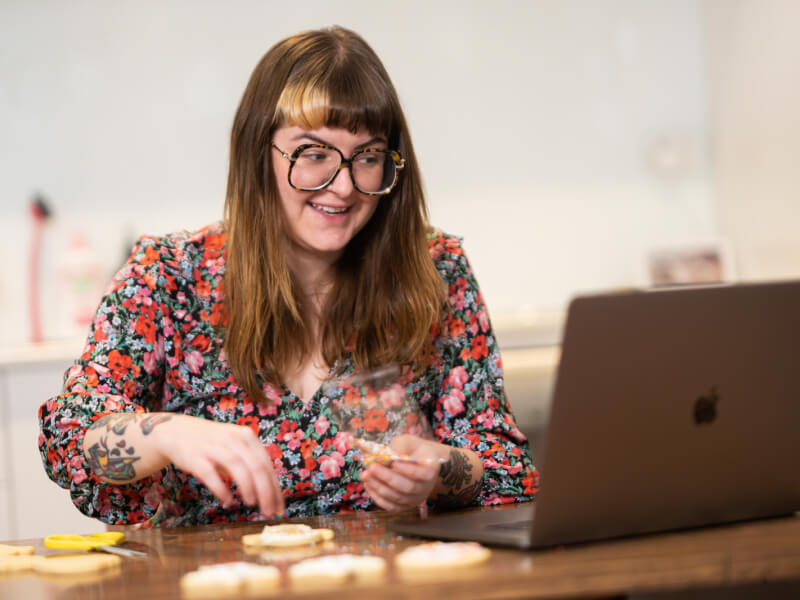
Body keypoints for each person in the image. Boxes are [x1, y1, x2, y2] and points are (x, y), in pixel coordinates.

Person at [38, 26, 539, 527]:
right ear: (259, 154)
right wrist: (166, 433)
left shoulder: (436, 270)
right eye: (313, 154)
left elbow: (510, 470)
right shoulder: (167, 277)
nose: (343, 187)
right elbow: (69, 436)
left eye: (367, 157)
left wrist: (442, 468)